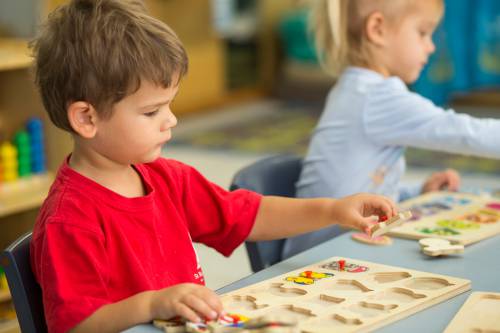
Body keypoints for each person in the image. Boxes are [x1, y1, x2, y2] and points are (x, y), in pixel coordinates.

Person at [29, 1, 397, 332]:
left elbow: (251, 215)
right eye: (151, 111)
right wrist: (151, 304)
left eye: (169, 105)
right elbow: (76, 326)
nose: (170, 120)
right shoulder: (70, 219)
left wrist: (333, 209)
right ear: (86, 118)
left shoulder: (167, 178)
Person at [282, 0, 500, 259]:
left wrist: (418, 190)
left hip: (332, 246)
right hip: (325, 255)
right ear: (377, 29)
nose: (431, 47)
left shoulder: (355, 88)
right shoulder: (377, 96)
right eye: (422, 33)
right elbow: (466, 133)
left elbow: (362, 185)